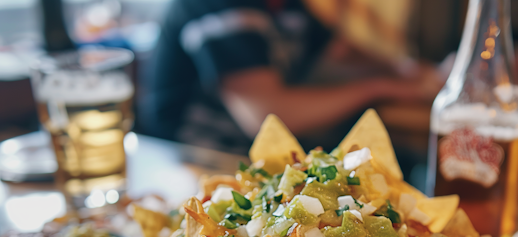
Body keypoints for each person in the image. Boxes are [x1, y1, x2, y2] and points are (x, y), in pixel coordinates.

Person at [139, 0, 441, 155]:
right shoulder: (220, 5)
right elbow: (267, 114)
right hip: (191, 160)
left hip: (247, 158)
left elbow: (341, 51)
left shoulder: (285, 6)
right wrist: (383, 87)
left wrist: (413, 70)